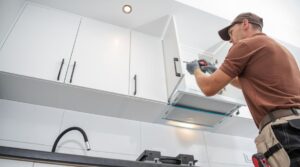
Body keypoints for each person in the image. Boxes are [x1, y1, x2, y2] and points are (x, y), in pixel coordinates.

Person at [186, 12, 300, 166]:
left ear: (245, 24)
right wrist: (217, 71)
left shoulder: (246, 44)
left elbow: (208, 88)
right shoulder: (280, 49)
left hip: (283, 130)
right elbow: (246, 82)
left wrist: (195, 70)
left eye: (231, 33)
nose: (231, 41)